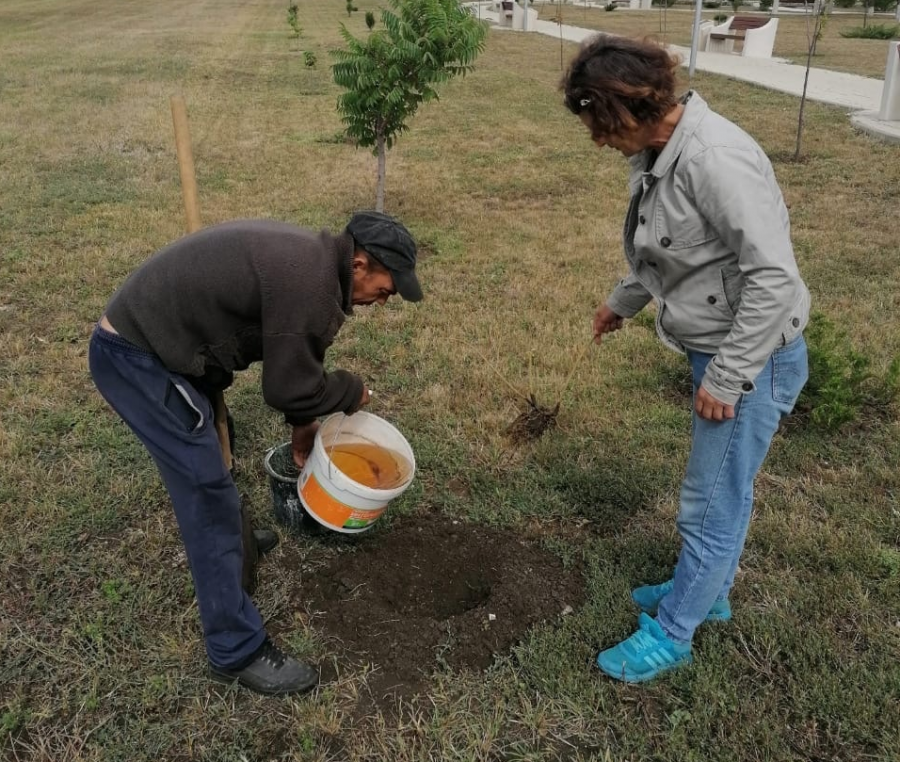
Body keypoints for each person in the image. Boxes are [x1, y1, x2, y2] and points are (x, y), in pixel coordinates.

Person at [561, 35, 810, 683]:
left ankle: (674, 631)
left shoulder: (713, 160)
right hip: (722, 347)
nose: (595, 141)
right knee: (726, 489)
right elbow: (674, 250)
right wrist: (623, 302)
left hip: (753, 357)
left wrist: (729, 376)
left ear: (623, 110)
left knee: (709, 500)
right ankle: (709, 590)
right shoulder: (660, 149)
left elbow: (773, 279)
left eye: (596, 124)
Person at [88, 211, 422, 696]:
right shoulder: (310, 284)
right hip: (137, 357)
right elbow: (288, 389)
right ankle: (235, 650)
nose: (382, 302)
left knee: (220, 452)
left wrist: (304, 427)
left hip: (176, 348)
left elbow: (296, 363)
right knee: (207, 493)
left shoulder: (315, 266)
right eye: (385, 290)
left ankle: (237, 548)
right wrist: (351, 391)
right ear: (359, 263)